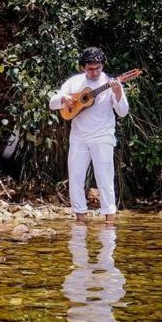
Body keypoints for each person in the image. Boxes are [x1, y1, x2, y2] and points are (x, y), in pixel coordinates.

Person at [49, 47, 129, 223]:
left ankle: (109, 222)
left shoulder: (111, 82)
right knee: (76, 179)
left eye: (97, 68)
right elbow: (52, 103)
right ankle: (80, 220)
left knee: (105, 179)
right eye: (90, 69)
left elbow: (123, 112)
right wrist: (64, 99)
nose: (94, 72)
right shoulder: (74, 82)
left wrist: (118, 93)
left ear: (102, 65)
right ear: (83, 67)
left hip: (102, 136)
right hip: (79, 138)